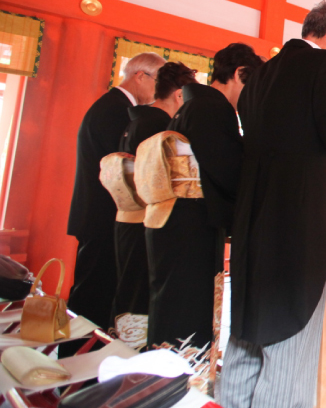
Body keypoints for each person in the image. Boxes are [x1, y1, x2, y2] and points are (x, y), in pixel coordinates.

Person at [220, 2, 326, 408]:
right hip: (296, 225)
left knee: (246, 335)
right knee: (290, 342)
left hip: (253, 223)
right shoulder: (325, 65)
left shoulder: (261, 74)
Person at [143, 43, 262, 350]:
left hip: (177, 221)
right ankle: (182, 387)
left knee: (175, 307)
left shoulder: (194, 106)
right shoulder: (211, 108)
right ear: (239, 74)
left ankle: (171, 381)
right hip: (189, 226)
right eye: (253, 85)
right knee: (187, 312)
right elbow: (228, 171)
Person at [67, 52, 164, 335]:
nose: (159, 92)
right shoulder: (116, 110)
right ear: (140, 76)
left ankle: (87, 355)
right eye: (157, 82)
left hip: (102, 214)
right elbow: (122, 165)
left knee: (100, 292)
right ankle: (77, 360)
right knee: (92, 294)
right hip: (102, 214)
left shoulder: (115, 106)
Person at [112, 62, 197, 325]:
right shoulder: (161, 128)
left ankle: (125, 349)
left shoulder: (138, 120)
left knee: (129, 293)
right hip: (148, 219)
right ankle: (135, 358)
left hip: (128, 219)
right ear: (179, 94)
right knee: (141, 299)